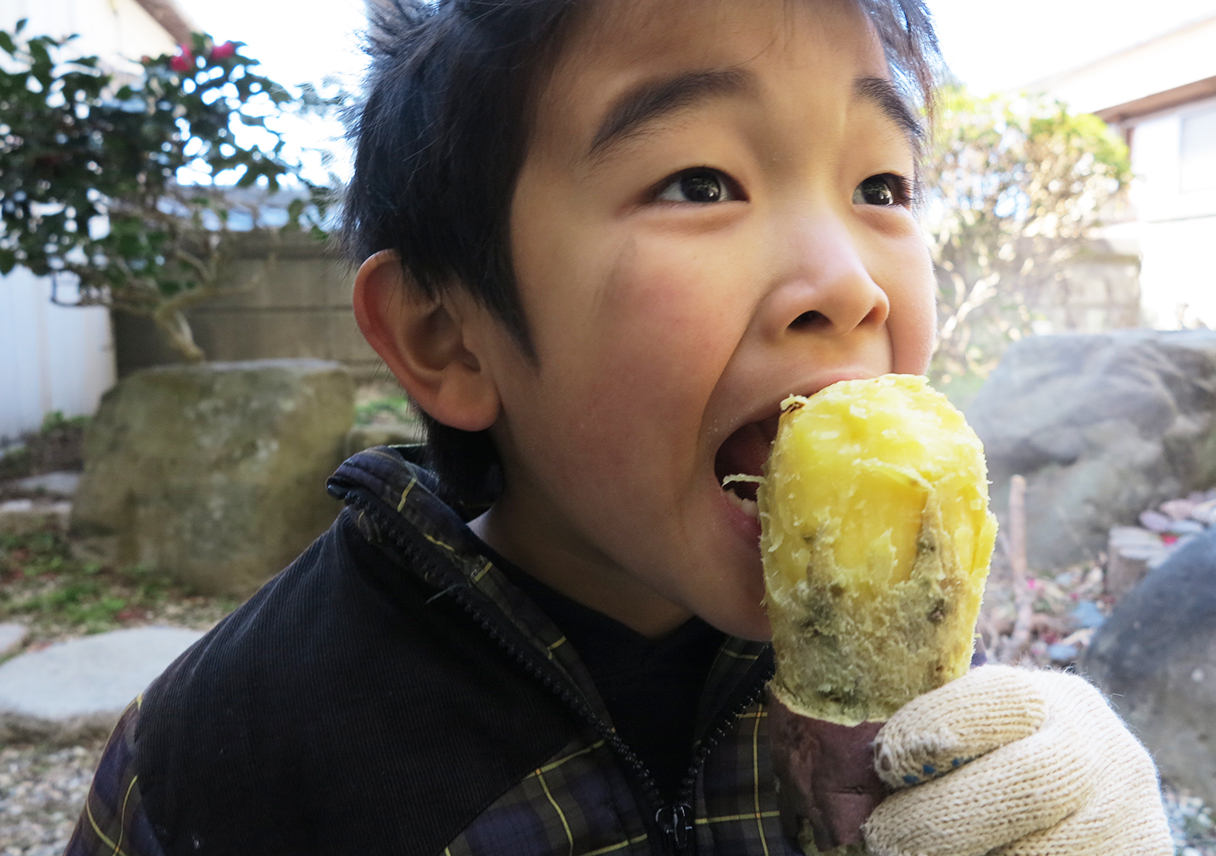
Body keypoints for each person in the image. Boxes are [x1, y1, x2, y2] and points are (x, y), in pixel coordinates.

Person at [65, 0, 1174, 853]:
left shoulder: (907, 684)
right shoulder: (234, 753)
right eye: (699, 181)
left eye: (881, 183)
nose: (846, 284)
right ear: (449, 336)